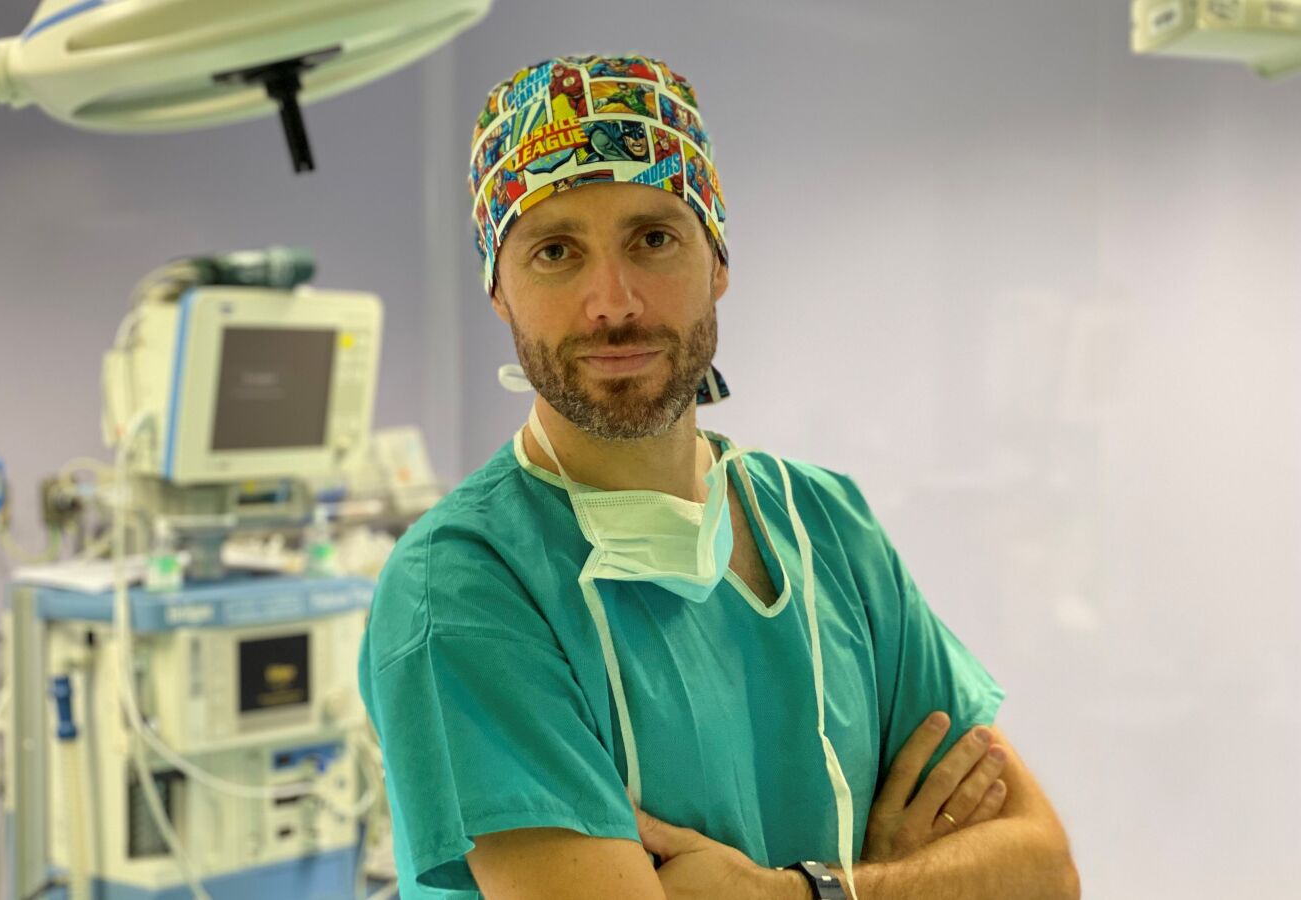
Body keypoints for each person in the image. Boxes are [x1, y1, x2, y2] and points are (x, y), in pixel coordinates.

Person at [358, 54, 1078, 900]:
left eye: (653, 239)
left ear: (718, 261)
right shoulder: (462, 586)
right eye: (555, 251)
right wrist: (905, 879)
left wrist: (812, 892)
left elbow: (1044, 871)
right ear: (499, 292)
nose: (613, 302)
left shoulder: (826, 522)